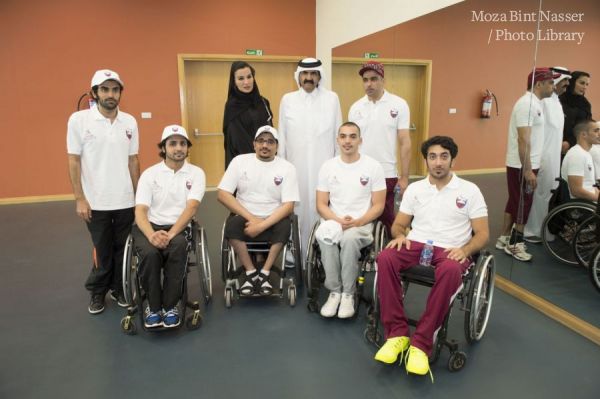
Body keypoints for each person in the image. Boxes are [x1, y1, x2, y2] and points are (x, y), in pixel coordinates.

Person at [374, 136, 489, 377]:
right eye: (433, 157)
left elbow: (483, 234)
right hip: (417, 243)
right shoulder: (416, 189)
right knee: (385, 257)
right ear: (426, 160)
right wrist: (399, 235)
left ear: (452, 160)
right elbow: (399, 225)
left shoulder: (470, 191)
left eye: (444, 157)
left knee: (449, 270)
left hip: (451, 249)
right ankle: (396, 334)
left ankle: (421, 344)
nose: (438, 162)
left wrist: (466, 250)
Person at [67, 69, 140, 314]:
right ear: (95, 92)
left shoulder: (129, 121)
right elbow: (74, 160)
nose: (111, 94)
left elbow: (133, 160)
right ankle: (98, 291)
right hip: (95, 201)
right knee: (102, 247)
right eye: (105, 89)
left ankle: (119, 288)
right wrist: (80, 198)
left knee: (124, 248)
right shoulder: (78, 121)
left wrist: (139, 197)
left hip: (125, 199)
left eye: (115, 89)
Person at [133, 125, 206, 328]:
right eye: (172, 143)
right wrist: (151, 235)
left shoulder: (196, 173)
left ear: (187, 148)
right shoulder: (150, 174)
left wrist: (172, 233)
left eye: (182, 143)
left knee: (178, 248)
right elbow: (140, 210)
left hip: (179, 225)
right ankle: (154, 307)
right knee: (149, 254)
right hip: (150, 225)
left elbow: (192, 207)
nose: (178, 148)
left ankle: (170, 305)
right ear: (163, 148)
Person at [217, 125, 300, 296]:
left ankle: (265, 272)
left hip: (274, 216)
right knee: (231, 227)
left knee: (285, 228)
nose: (265, 145)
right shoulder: (240, 162)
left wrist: (261, 226)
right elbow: (223, 194)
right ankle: (250, 272)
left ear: (276, 146)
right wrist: (252, 219)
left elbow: (288, 205)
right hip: (245, 214)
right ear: (254, 144)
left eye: (270, 142)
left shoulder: (287, 168)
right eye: (261, 141)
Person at [315, 122, 386, 318]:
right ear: (338, 140)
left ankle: (348, 293)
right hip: (333, 220)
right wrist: (337, 220)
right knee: (327, 236)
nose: (348, 141)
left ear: (360, 141)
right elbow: (321, 204)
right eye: (343, 136)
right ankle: (334, 291)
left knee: (349, 238)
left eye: (352, 136)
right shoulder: (328, 166)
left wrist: (358, 221)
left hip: (361, 224)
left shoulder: (373, 167)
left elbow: (379, 205)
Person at [278, 58, 342, 261]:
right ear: (298, 76)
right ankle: (295, 248)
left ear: (319, 76)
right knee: (297, 206)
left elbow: (338, 133)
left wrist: (338, 166)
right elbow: (282, 133)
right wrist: (282, 165)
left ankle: (322, 250)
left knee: (321, 205)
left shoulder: (332, 99)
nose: (308, 78)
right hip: (295, 167)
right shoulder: (287, 99)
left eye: (313, 74)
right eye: (305, 74)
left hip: (324, 166)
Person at [496, 67, 558, 262]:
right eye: (550, 82)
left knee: (515, 200)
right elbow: (523, 140)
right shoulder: (527, 105)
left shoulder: (535, 104)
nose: (553, 86)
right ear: (538, 84)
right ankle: (515, 244)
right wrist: (528, 169)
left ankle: (504, 237)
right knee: (523, 202)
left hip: (527, 162)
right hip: (522, 164)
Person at [348, 61, 411, 233]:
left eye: (374, 79)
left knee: (386, 218)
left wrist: (404, 177)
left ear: (383, 79)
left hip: (386, 173)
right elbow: (351, 142)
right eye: (365, 80)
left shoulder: (399, 105)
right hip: (360, 171)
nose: (369, 84)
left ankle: (389, 255)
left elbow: (405, 142)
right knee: (361, 214)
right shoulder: (356, 108)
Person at [524, 67, 571, 243]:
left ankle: (542, 228)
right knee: (540, 193)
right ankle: (531, 230)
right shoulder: (542, 102)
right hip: (543, 156)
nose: (566, 84)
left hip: (554, 156)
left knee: (549, 192)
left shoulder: (556, 101)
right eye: (563, 81)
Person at [223, 61, 273, 168]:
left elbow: (270, 130)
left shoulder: (263, 102)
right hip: (244, 163)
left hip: (267, 159)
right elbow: (235, 140)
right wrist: (256, 159)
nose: (246, 82)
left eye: (249, 77)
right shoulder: (232, 106)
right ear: (234, 82)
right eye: (241, 78)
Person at [561, 120, 600, 202]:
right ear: (584, 135)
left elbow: (590, 186)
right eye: (596, 131)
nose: (599, 134)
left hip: (590, 203)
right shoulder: (577, 155)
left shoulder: (586, 154)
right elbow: (576, 191)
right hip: (581, 206)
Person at [560, 71, 592, 153]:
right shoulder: (558, 99)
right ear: (572, 82)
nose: (585, 87)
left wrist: (570, 142)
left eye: (587, 84)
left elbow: (585, 127)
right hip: (556, 144)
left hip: (576, 147)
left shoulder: (585, 104)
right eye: (582, 83)